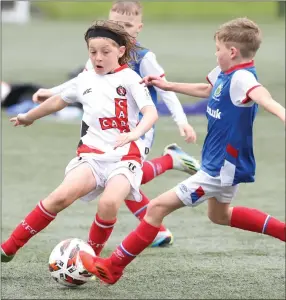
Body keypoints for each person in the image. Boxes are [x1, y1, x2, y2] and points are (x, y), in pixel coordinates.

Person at [79, 17, 286, 285]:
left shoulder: (243, 77)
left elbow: (261, 95)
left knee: (155, 208)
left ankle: (113, 267)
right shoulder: (225, 73)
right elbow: (207, 89)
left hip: (218, 168)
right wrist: (167, 85)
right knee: (219, 215)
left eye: (218, 49)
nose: (216, 53)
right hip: (223, 164)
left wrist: (282, 113)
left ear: (232, 52)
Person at [31, 0, 201, 247]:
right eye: (116, 24)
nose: (122, 29)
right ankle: (158, 225)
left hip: (138, 128)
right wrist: (51, 91)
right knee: (116, 179)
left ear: (139, 27)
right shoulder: (102, 51)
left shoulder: (144, 57)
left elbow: (165, 90)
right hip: (103, 129)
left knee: (122, 178)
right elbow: (80, 82)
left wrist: (181, 121)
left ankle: (168, 166)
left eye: (128, 25)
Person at [1, 20, 161, 263]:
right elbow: (58, 101)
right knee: (59, 198)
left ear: (120, 51)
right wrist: (29, 117)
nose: (98, 57)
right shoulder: (84, 79)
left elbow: (151, 112)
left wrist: (135, 133)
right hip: (92, 155)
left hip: (125, 156)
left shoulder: (130, 78)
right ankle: (8, 248)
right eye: (92, 52)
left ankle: (90, 261)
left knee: (109, 203)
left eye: (105, 52)